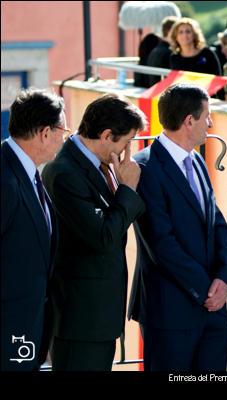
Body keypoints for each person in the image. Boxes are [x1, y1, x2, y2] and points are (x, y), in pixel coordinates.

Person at [130, 84, 227, 372]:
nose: (210, 124)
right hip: (171, 312)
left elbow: (217, 223)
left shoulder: (197, 160)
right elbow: (161, 243)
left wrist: (223, 280)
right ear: (189, 121)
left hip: (213, 312)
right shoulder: (145, 168)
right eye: (207, 116)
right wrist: (206, 291)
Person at [42, 94, 146, 371]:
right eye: (125, 142)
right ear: (107, 135)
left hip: (99, 316)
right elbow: (102, 236)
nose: (127, 152)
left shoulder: (101, 164)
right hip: (80, 319)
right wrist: (127, 190)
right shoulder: (64, 172)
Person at [1, 89, 66, 371]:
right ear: (44, 132)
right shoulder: (5, 178)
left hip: (30, 326)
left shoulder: (28, 172)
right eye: (63, 130)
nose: (65, 138)